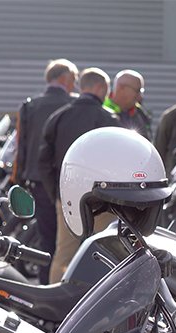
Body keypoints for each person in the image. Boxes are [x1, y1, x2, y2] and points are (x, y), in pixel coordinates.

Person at [38, 67, 118, 283]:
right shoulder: (109, 119)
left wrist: (56, 193)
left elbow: (44, 162)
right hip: (102, 199)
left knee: (64, 253)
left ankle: (55, 303)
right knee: (102, 253)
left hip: (67, 196)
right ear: (100, 88)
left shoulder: (58, 117)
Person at [14, 58, 78, 284]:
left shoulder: (30, 106)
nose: (75, 85)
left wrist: (19, 178)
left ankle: (44, 285)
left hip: (37, 180)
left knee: (46, 237)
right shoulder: (74, 105)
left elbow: (20, 146)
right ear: (64, 79)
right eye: (74, 80)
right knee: (70, 240)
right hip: (69, 182)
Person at [104, 69, 153, 140]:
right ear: (121, 88)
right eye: (137, 91)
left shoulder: (140, 114)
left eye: (141, 91)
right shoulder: (101, 111)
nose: (140, 97)